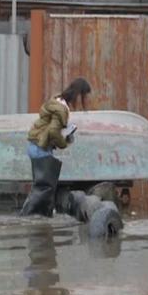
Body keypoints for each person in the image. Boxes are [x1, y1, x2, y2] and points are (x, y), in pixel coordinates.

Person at [20, 77, 92, 217]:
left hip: (36, 145)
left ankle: (38, 217)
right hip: (41, 147)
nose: (86, 100)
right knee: (43, 189)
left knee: (42, 188)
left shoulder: (58, 102)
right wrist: (64, 142)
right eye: (85, 97)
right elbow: (53, 132)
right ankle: (28, 217)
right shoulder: (62, 109)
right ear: (78, 95)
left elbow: (52, 129)